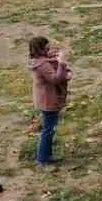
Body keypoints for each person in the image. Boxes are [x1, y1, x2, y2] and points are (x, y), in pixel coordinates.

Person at [28, 36, 72, 171]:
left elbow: (57, 71)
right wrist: (62, 63)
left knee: (49, 129)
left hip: (47, 99)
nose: (50, 48)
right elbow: (55, 79)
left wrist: (65, 70)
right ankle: (42, 159)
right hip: (48, 101)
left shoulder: (42, 60)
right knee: (48, 130)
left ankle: (47, 156)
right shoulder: (42, 65)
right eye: (47, 47)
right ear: (42, 48)